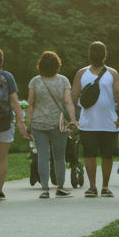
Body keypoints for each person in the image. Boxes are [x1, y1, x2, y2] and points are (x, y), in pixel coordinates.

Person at [74, 41, 119, 197]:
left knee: (104, 155)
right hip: (89, 122)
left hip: (107, 122)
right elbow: (73, 96)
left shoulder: (112, 73)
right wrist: (73, 118)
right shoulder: (82, 73)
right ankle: (96, 187)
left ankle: (101, 187)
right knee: (92, 155)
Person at [27, 51, 78, 199]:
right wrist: (73, 120)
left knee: (42, 156)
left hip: (38, 123)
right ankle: (60, 188)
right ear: (57, 65)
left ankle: (45, 189)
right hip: (58, 124)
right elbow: (68, 103)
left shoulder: (35, 81)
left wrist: (28, 124)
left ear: (40, 65)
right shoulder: (63, 81)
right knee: (59, 156)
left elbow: (31, 105)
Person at [0, 47, 27, 203]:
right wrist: (21, 121)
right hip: (5, 121)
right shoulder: (7, 76)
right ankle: (0, 190)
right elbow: (14, 101)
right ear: (1, 61)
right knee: (2, 158)